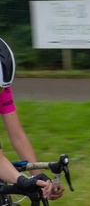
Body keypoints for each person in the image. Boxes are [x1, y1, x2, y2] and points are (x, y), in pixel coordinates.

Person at [0, 38, 64, 200]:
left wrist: (39, 179)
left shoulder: (3, 89)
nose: (0, 93)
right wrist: (22, 180)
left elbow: (18, 136)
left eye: (2, 88)